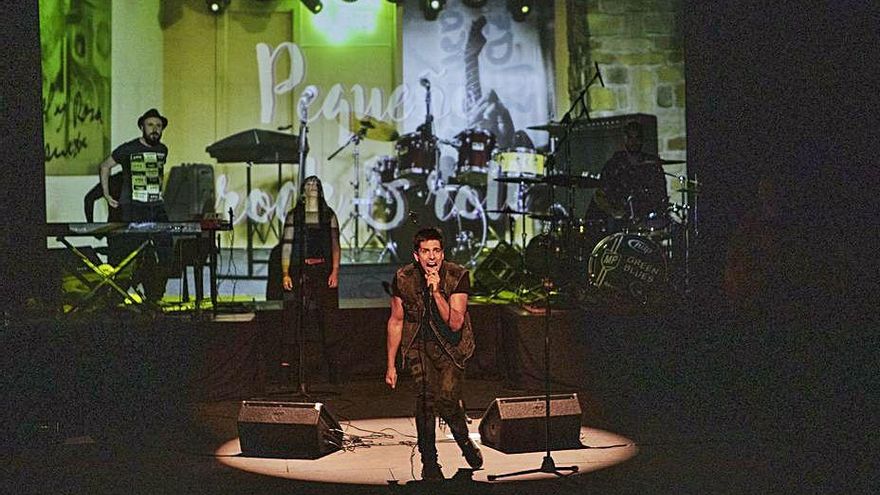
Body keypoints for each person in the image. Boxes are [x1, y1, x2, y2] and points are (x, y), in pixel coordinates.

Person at [385, 227, 482, 481]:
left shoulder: (457, 275)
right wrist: (391, 365)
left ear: (442, 253)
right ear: (416, 255)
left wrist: (437, 291)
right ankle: (430, 461)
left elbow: (455, 324)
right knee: (426, 400)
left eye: (436, 251)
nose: (431, 257)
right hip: (419, 345)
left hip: (452, 348)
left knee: (447, 402)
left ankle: (464, 442)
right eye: (426, 251)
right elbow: (396, 320)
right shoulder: (403, 278)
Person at [98, 108, 172, 302]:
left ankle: (155, 295)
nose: (155, 129)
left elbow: (159, 172)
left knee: (165, 248)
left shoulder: (163, 149)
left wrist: (160, 190)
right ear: (142, 127)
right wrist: (106, 194)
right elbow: (105, 166)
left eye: (158, 126)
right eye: (150, 125)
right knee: (131, 253)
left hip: (156, 206)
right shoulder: (128, 149)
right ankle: (118, 295)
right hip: (133, 207)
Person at [280, 175, 341, 384]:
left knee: (328, 319)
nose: (312, 187)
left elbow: (335, 245)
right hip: (300, 271)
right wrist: (285, 272)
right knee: (296, 318)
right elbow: (287, 244)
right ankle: (291, 369)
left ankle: (333, 369)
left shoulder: (328, 215)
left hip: (323, 271)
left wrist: (335, 271)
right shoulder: (294, 215)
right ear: (303, 190)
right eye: (309, 184)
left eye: (316, 184)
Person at [595, 121, 669, 230]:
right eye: (630, 138)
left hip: (647, 219)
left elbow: (661, 194)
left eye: (637, 138)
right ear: (624, 139)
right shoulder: (614, 165)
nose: (634, 142)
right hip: (620, 221)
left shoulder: (652, 165)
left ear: (642, 140)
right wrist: (613, 211)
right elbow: (600, 195)